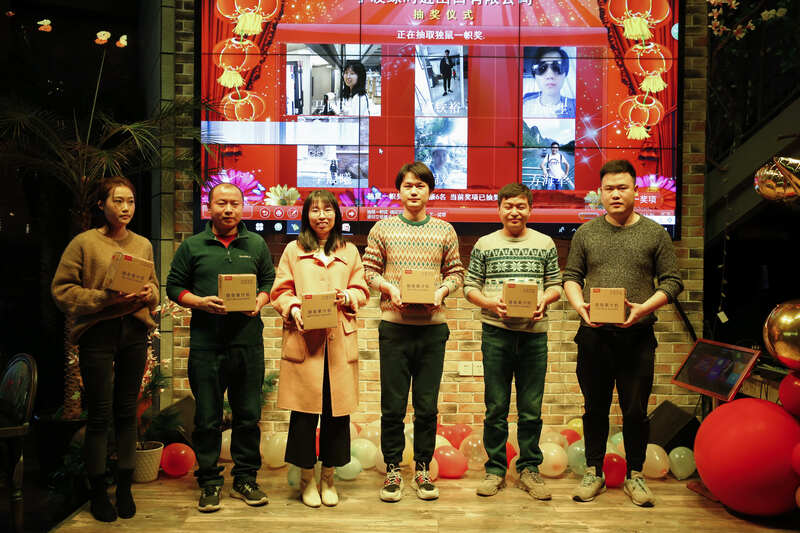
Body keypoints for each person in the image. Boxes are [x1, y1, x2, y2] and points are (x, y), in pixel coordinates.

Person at [562, 159, 683, 507]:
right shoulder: (586, 233)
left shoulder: (655, 233)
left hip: (638, 338)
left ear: (635, 191)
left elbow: (673, 281)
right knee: (594, 408)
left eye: (622, 188)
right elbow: (571, 276)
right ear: (600, 193)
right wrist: (580, 307)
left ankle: (636, 475)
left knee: (635, 411)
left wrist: (644, 308)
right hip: (594, 336)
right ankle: (594, 472)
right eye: (609, 189)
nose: (615, 194)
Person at [51, 176, 159, 522]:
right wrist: (104, 298)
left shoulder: (142, 244)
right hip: (97, 334)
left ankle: (125, 488)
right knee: (99, 414)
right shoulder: (83, 243)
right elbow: (62, 291)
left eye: (131, 201)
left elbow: (154, 286)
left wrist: (149, 294)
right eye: (118, 201)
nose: (126, 208)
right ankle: (98, 492)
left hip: (134, 332)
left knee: (127, 412)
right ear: (102, 204)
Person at [166, 182, 275, 512]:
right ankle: (209, 481)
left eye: (234, 204)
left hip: (247, 344)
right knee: (207, 418)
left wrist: (260, 301)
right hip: (206, 346)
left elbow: (268, 281)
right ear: (209, 207)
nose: (228, 210)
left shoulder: (256, 244)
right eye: (221, 203)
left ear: (243, 207)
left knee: (248, 416)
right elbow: (174, 287)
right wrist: (199, 302)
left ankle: (245, 479)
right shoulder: (193, 246)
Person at [362, 161, 465, 503]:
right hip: (395, 328)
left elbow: (456, 274)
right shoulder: (382, 229)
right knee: (392, 406)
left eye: (420, 185)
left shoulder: (445, 231)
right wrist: (389, 288)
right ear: (399, 191)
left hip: (432, 330)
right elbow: (369, 271)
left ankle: (422, 468)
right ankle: (393, 469)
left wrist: (441, 291)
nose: (414, 191)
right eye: (408, 185)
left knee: (426, 406)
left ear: (430, 191)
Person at [270, 190, 369, 508]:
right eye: (315, 210)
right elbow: (280, 292)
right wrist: (294, 308)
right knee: (303, 415)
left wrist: (348, 296)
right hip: (305, 342)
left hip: (338, 343)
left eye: (328, 210)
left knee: (336, 415)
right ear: (306, 216)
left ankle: (328, 478)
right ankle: (306, 480)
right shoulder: (293, 250)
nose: (322, 215)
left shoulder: (349, 251)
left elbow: (362, 289)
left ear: (337, 215)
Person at [463, 183, 562, 500]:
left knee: (531, 409)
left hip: (534, 335)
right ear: (499, 209)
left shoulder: (545, 243)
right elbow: (469, 286)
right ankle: (495, 470)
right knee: (496, 407)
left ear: (530, 209)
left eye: (520, 206)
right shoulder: (485, 244)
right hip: (496, 333)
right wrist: (490, 303)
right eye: (508, 206)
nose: (514, 212)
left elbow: (556, 284)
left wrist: (545, 300)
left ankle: (529, 469)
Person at [522, 47, 576, 118]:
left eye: (557, 67)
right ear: (534, 75)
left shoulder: (577, 108)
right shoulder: (524, 107)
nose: (550, 75)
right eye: (542, 68)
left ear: (565, 73)